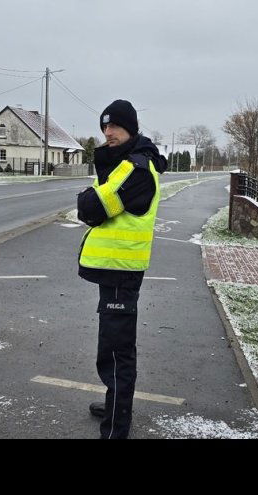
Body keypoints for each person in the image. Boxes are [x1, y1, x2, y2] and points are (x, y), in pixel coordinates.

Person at [76, 100, 168, 439]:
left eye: (114, 126)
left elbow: (93, 206)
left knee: (115, 354)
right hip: (116, 270)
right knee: (111, 347)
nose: (107, 133)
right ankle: (114, 404)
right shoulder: (128, 164)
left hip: (121, 273)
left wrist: (86, 197)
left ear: (131, 128)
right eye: (104, 127)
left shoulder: (136, 169)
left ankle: (116, 428)